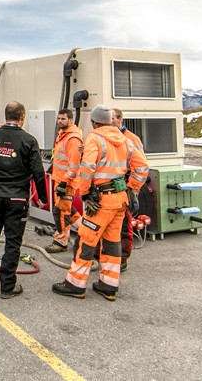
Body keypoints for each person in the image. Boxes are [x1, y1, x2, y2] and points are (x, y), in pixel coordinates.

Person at [52, 104, 149, 301]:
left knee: (86, 240)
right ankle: (108, 285)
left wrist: (86, 193)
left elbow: (87, 168)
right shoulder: (125, 140)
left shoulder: (94, 138)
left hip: (100, 201)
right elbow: (142, 167)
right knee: (112, 242)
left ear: (94, 122)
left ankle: (75, 284)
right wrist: (132, 189)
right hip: (120, 200)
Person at [0, 102, 47, 299]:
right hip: (17, 198)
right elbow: (38, 172)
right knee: (13, 242)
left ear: (6, 115)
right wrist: (42, 197)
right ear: (22, 117)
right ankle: (7, 286)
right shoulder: (28, 140)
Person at [45, 108, 83, 253]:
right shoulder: (63, 135)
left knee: (61, 211)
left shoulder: (73, 139)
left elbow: (74, 165)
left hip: (66, 182)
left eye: (63, 119)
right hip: (60, 178)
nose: (60, 121)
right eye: (59, 118)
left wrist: (64, 182)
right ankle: (84, 231)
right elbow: (61, 157)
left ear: (70, 120)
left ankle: (61, 241)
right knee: (67, 210)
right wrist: (53, 167)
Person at [112, 108, 145, 272]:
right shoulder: (106, 138)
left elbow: (141, 166)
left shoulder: (131, 139)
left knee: (124, 225)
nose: (110, 121)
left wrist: (132, 189)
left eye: (112, 118)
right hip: (110, 189)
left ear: (120, 119)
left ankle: (122, 259)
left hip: (125, 188)